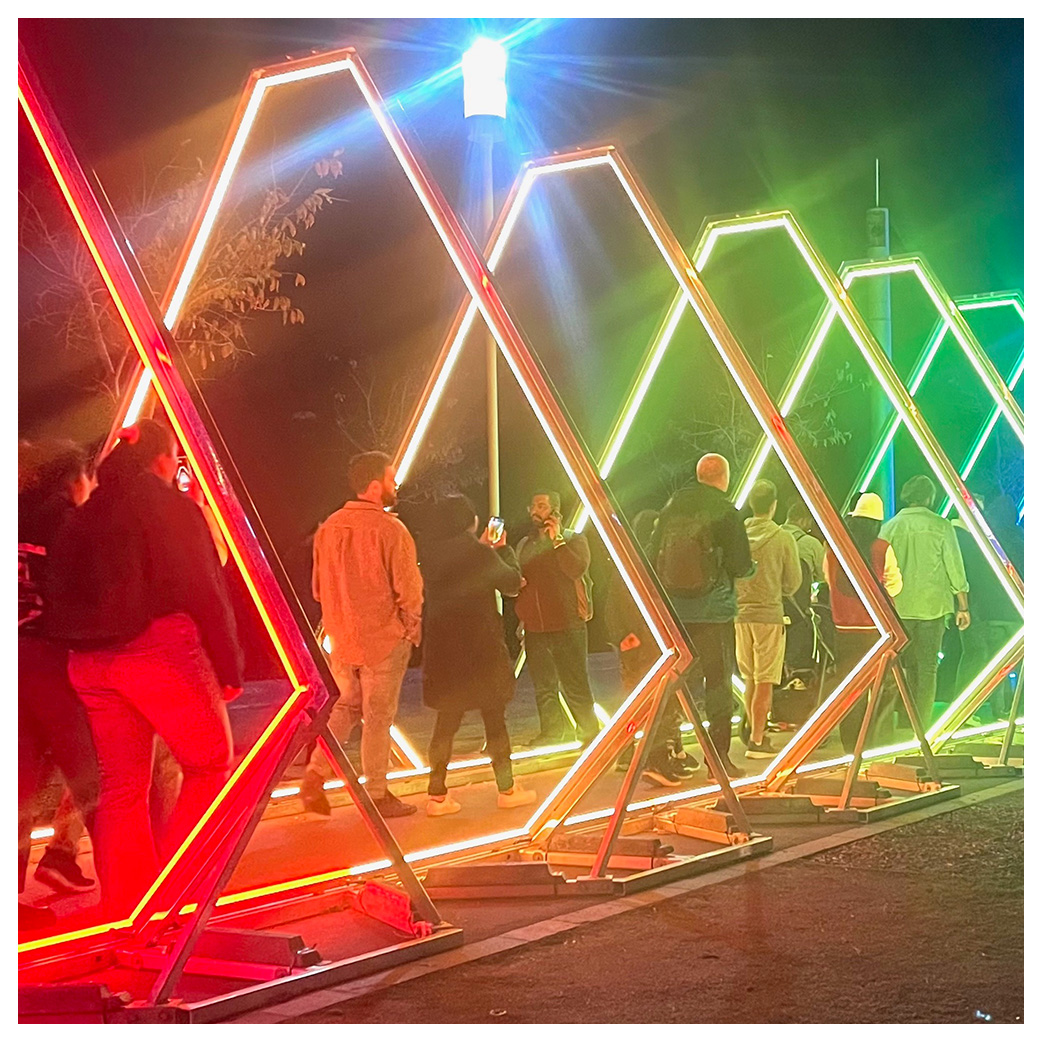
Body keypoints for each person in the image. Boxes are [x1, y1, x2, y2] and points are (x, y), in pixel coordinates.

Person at [46, 420, 243, 915]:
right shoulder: (172, 509)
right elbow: (205, 589)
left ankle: (127, 906)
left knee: (122, 787)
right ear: (161, 460)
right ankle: (177, 896)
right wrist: (229, 667)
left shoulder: (82, 518)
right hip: (157, 651)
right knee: (209, 765)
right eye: (174, 458)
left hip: (89, 663)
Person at [304, 451, 422, 819]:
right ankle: (377, 792)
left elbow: (318, 589)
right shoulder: (391, 530)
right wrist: (409, 627)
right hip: (383, 637)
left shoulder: (329, 528)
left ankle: (315, 772)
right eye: (390, 479)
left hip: (341, 638)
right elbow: (409, 589)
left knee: (344, 707)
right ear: (375, 486)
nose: (394, 486)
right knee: (378, 716)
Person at [18, 440, 100, 931]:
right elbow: (84, 594)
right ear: (75, 480)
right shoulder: (67, 523)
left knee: (19, 783)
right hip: (49, 659)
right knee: (95, 775)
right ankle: (136, 895)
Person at [418, 495, 536, 816]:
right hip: (480, 649)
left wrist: (484, 550)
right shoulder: (479, 553)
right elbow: (512, 583)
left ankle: (437, 794)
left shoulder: (430, 555)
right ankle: (507, 788)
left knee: (445, 723)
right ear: (467, 520)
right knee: (494, 719)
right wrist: (502, 550)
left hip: (444, 651)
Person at [648, 453, 753, 776]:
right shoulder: (727, 512)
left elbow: (653, 554)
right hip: (714, 612)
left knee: (673, 681)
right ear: (724, 477)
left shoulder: (671, 507)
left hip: (675, 612)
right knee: (717, 684)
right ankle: (718, 759)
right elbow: (740, 565)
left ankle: (662, 751)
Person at [604, 510, 696, 786]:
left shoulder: (631, 563)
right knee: (654, 701)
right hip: (648, 643)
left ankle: (634, 750)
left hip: (640, 643)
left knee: (637, 701)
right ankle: (654, 757)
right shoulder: (647, 563)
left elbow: (612, 602)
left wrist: (623, 636)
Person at [880, 475, 970, 732]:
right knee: (928, 667)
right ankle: (922, 724)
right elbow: (954, 566)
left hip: (899, 607)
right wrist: (962, 604)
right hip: (932, 607)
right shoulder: (941, 526)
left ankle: (900, 716)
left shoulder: (891, 527)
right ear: (930, 497)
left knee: (901, 665)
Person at [516, 490, 599, 746]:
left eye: (541, 506)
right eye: (532, 505)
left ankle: (589, 732)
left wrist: (558, 541)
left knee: (575, 682)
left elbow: (575, 569)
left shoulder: (574, 539)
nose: (534, 511)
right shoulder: (524, 544)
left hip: (568, 623)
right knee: (544, 685)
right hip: (535, 626)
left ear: (554, 511)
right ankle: (552, 732)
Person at [823, 493, 903, 752]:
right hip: (875, 629)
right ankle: (872, 740)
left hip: (843, 626)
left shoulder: (834, 546)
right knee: (878, 684)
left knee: (848, 685)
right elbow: (895, 584)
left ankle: (849, 742)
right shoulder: (882, 548)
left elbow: (829, 579)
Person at [734, 480, 802, 759]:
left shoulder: (738, 534)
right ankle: (758, 740)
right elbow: (793, 581)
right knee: (765, 679)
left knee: (750, 677)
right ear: (774, 505)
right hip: (769, 614)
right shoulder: (783, 537)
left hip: (740, 614)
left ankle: (751, 730)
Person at [954, 493, 1023, 719]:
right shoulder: (1021, 538)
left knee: (995, 661)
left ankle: (996, 708)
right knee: (1012, 663)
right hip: (1018, 609)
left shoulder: (986, 541)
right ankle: (1011, 710)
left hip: (990, 609)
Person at [780, 500, 825, 687]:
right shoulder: (810, 543)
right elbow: (824, 575)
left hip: (770, 607)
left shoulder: (774, 537)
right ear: (804, 521)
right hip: (798, 609)